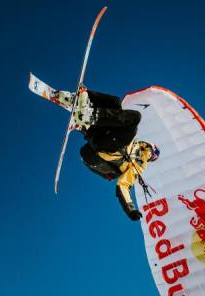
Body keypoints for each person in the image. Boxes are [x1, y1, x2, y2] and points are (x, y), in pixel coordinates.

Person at [52, 86, 160, 221]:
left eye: (153, 154)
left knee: (135, 118)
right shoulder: (135, 144)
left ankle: (88, 116)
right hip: (101, 135)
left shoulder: (139, 164)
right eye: (153, 150)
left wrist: (130, 209)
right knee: (115, 102)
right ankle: (80, 99)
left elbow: (124, 185)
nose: (151, 151)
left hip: (107, 147)